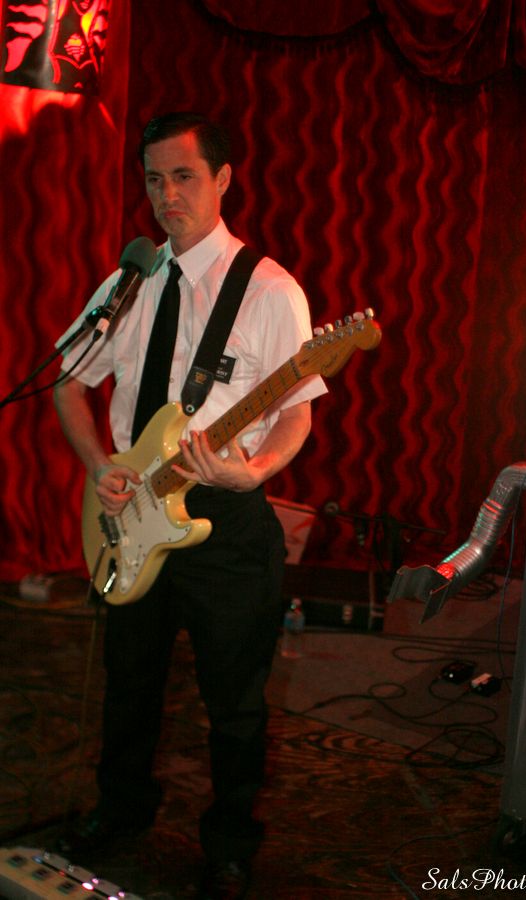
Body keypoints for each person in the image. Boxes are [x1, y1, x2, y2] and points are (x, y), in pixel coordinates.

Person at [53, 111, 326, 899]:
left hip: (226, 522)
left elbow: (298, 410)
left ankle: (230, 846)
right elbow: (68, 384)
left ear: (223, 179)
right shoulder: (129, 282)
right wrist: (100, 466)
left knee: (234, 701)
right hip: (132, 513)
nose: (166, 195)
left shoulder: (270, 290)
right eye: (153, 179)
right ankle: (120, 809)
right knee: (129, 684)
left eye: (183, 176)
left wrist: (256, 470)